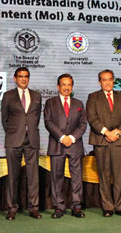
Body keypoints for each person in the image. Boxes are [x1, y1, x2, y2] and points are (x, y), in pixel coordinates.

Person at [86, 69, 121, 217]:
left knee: (119, 175)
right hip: (101, 140)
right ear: (100, 82)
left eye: (110, 79)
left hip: (118, 141)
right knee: (104, 174)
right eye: (104, 80)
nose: (107, 82)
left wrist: (117, 132)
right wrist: (106, 132)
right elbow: (91, 118)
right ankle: (107, 207)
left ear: (114, 81)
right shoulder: (93, 97)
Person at [44, 74, 87, 219]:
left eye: (69, 84)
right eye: (64, 84)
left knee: (76, 177)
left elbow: (82, 124)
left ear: (72, 87)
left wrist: (72, 138)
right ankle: (59, 207)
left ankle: (76, 207)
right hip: (57, 144)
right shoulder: (50, 102)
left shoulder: (79, 103)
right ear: (58, 87)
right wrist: (62, 138)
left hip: (75, 145)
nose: (67, 87)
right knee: (57, 177)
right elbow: (48, 122)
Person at [1, 67, 42, 220]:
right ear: (15, 78)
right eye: (20, 76)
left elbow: (36, 118)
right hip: (13, 140)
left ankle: (34, 208)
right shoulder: (7, 96)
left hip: (32, 139)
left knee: (33, 176)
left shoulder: (37, 95)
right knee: (13, 176)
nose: (23, 79)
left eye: (26, 76)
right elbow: (4, 119)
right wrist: (14, 132)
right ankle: (12, 208)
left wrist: (28, 131)